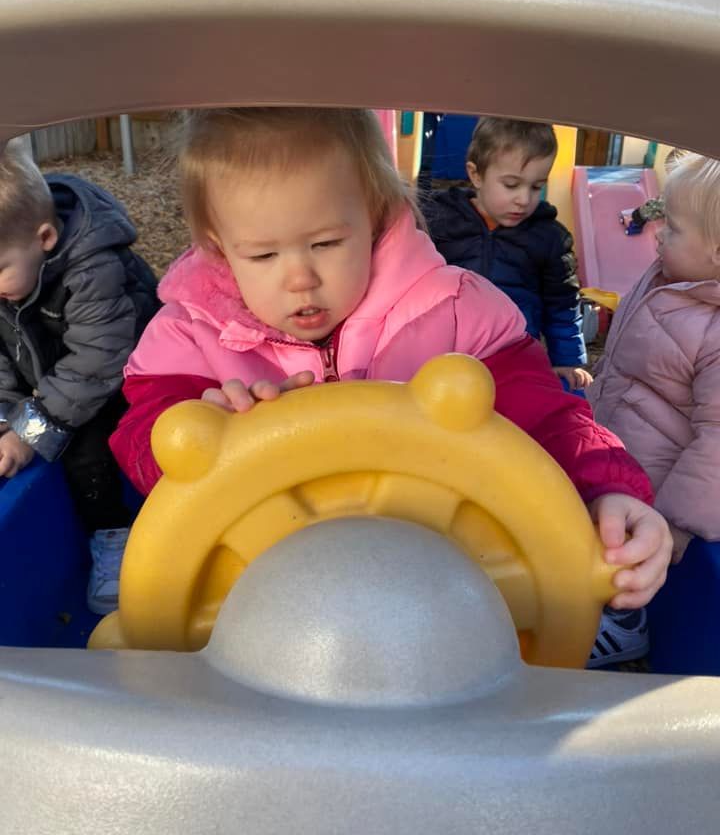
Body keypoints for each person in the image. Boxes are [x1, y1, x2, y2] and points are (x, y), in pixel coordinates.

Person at [110, 108, 672, 666]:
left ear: (376, 215)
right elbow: (141, 438)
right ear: (217, 245)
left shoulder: (454, 313)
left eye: (327, 243)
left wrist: (609, 489)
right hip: (257, 601)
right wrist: (195, 432)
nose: (299, 277)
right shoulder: (191, 335)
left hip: (447, 591)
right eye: (262, 254)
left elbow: (551, 418)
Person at [0, 139, 158, 614]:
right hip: (62, 373)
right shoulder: (12, 268)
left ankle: (114, 536)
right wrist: (7, 418)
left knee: (89, 444)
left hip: (124, 376)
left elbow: (100, 360)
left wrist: (32, 430)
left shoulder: (92, 268)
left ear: (45, 239)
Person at [589, 154, 720, 571]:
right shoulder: (666, 278)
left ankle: (623, 629)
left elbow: (717, 440)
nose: (658, 235)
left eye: (674, 229)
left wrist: (673, 523)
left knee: (618, 568)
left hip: (649, 491)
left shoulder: (713, 332)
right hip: (609, 452)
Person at [424, 117, 592, 391]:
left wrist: (567, 358)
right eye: (511, 185)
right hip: (446, 352)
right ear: (476, 174)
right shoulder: (440, 221)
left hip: (513, 354)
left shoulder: (548, 237)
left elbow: (561, 304)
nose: (524, 199)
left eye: (536, 186)